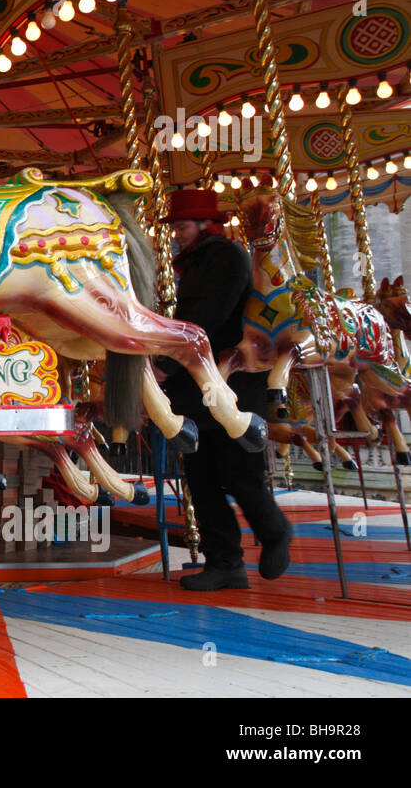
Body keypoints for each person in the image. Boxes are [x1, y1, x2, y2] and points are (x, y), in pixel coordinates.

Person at [155, 188, 291, 590]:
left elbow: (205, 319)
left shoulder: (226, 258)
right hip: (198, 387)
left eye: (181, 227)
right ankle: (225, 562)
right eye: (176, 227)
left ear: (204, 224)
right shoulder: (198, 262)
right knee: (201, 479)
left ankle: (274, 531)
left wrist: (164, 363)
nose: (176, 235)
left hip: (231, 383)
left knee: (239, 472)